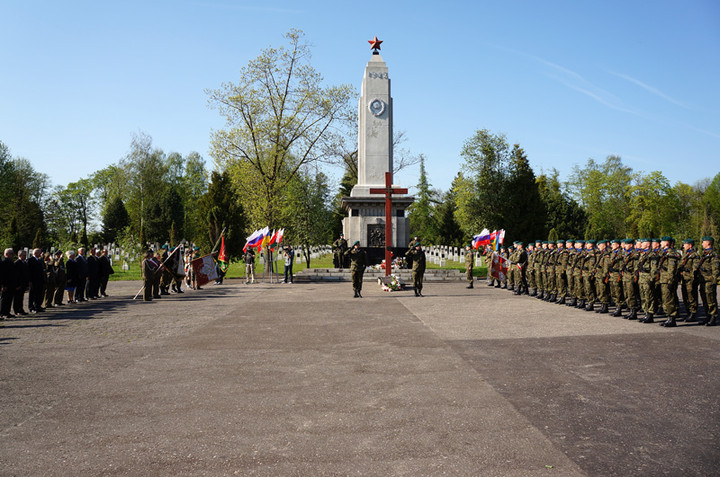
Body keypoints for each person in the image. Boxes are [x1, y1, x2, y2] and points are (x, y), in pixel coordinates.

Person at [658, 237, 681, 327]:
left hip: (668, 280)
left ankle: (672, 318)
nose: (660, 243)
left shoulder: (671, 254)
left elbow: (671, 269)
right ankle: (669, 317)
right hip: (664, 279)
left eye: (662, 242)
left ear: (666, 243)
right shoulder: (664, 253)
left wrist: (670, 280)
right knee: (666, 299)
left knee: (669, 299)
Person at [698, 237, 719, 326]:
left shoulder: (713, 255)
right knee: (705, 300)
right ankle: (708, 315)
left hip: (709, 281)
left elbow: (716, 270)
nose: (702, 244)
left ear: (708, 243)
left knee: (711, 300)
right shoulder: (704, 254)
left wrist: (713, 281)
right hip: (703, 281)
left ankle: (713, 317)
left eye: (703, 242)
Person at [678, 239, 699, 322]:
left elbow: (695, 268)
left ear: (690, 245)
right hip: (684, 278)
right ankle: (688, 312)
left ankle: (693, 313)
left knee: (691, 296)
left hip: (690, 278)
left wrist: (692, 278)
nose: (683, 246)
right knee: (685, 296)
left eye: (685, 244)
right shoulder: (685, 254)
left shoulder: (694, 255)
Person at [1, 249, 18, 319]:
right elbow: (3, 274)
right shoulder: (4, 262)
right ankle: (2, 312)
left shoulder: (11, 262)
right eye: (11, 254)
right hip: (6, 284)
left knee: (9, 299)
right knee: (4, 299)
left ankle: (7, 312)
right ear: (6, 254)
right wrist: (3, 285)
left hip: (11, 284)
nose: (12, 255)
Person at [27, 248, 46, 313]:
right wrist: (29, 280)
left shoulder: (39, 260)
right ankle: (31, 307)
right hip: (33, 280)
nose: (41, 254)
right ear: (35, 253)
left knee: (38, 294)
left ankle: (37, 306)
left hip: (39, 280)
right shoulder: (30, 260)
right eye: (39, 253)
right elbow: (29, 271)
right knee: (32, 294)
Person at [13, 250, 30, 316]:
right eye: (24, 255)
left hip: (23, 283)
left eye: (25, 255)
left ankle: (21, 309)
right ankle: (17, 310)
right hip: (18, 284)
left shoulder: (24, 263)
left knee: (21, 297)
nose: (25, 256)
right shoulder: (17, 263)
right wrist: (17, 285)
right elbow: (16, 275)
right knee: (17, 298)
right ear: (19, 255)